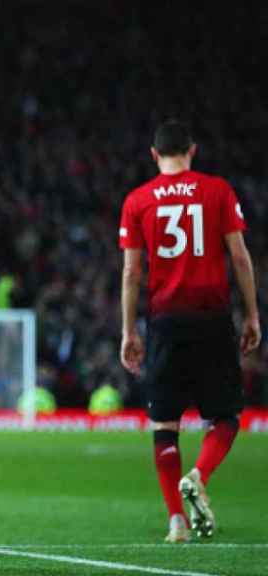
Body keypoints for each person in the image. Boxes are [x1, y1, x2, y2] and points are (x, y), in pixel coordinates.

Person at [119, 119, 260, 543]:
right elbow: (239, 257)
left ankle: (176, 522)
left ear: (153, 153)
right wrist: (252, 314)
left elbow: (130, 272)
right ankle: (199, 474)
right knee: (226, 416)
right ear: (192, 150)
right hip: (213, 316)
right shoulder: (218, 190)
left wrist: (129, 331)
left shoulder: (137, 200)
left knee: (165, 423)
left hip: (164, 320)